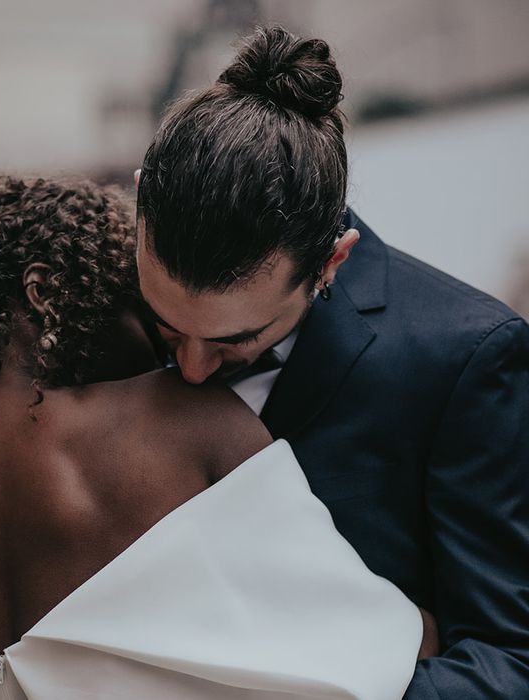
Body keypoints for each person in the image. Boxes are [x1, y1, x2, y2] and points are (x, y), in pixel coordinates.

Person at [0, 175, 430, 700]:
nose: (171, 349)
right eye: (142, 309)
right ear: (47, 293)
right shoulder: (189, 425)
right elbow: (368, 639)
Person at [135, 24, 529, 698]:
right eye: (168, 331)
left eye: (236, 341)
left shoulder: (465, 356)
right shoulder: (93, 311)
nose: (195, 369)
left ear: (330, 262)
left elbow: (509, 658)